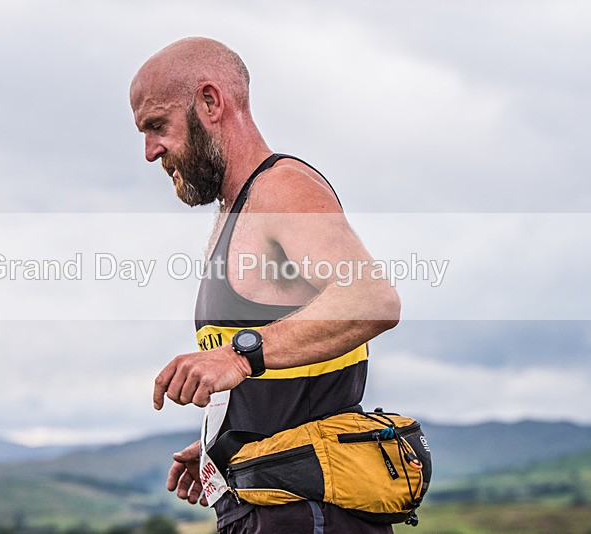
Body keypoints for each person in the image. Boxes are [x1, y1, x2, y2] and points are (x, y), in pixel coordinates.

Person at [130, 37, 401, 534]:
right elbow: (282, 379)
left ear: (210, 102)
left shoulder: (281, 190)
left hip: (312, 512)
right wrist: (227, 444)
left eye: (156, 126)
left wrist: (238, 355)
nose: (150, 152)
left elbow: (371, 298)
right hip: (264, 505)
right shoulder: (235, 211)